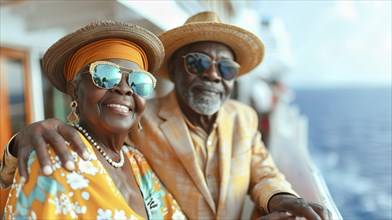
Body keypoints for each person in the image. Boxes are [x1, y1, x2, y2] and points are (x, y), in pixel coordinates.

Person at [1, 12, 331, 219]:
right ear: (174, 70)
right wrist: (20, 143)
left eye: (226, 68)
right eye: (198, 62)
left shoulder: (242, 118)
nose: (214, 75)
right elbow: (91, 136)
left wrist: (282, 199)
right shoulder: (140, 124)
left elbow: (263, 171)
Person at [1, 20, 186, 219]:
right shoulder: (53, 160)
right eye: (105, 75)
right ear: (74, 91)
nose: (124, 88)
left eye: (138, 81)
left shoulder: (138, 162)